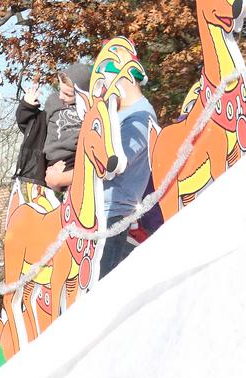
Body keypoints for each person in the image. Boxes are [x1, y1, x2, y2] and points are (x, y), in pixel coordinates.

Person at [98, 41, 164, 278]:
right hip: (101, 211)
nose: (104, 93)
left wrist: (62, 176)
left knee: (98, 293)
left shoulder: (140, 117)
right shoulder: (123, 115)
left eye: (105, 85)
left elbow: (113, 164)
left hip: (113, 213)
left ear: (121, 81)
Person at [43, 64, 92, 194]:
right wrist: (27, 107)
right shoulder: (54, 102)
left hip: (79, 155)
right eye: (60, 90)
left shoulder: (91, 107)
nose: (61, 96)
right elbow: (38, 128)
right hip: (58, 157)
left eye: (67, 94)